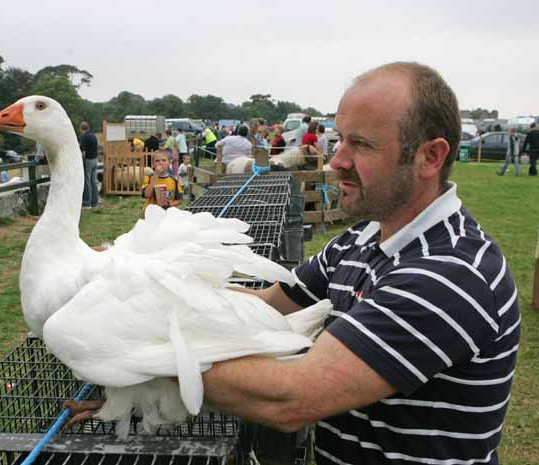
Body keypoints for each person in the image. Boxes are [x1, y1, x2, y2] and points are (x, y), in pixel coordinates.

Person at [201, 62, 519, 465]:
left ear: (430, 157)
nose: (338, 160)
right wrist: (141, 287)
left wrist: (130, 361)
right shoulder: (362, 238)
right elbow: (265, 303)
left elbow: (290, 397)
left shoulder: (450, 273)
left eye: (362, 144)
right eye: (339, 139)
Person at [80, 121, 99, 209]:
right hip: (95, 159)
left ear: (81, 129)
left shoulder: (85, 137)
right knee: (94, 181)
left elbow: (84, 152)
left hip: (88, 160)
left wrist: (81, 161)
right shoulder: (93, 135)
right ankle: (95, 202)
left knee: (87, 182)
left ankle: (87, 203)